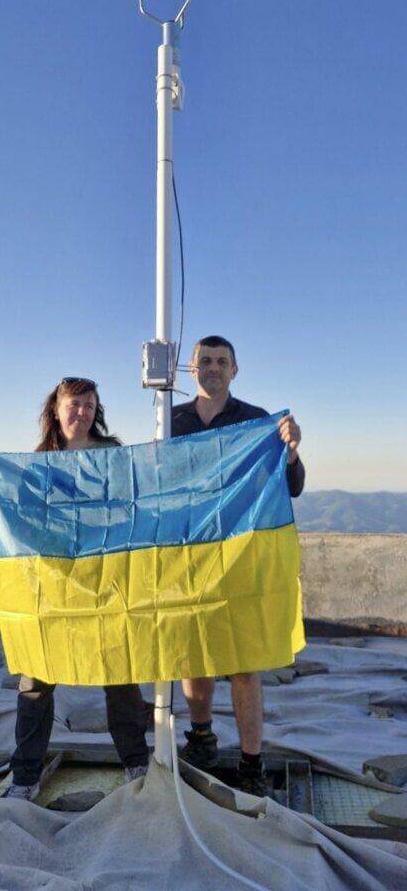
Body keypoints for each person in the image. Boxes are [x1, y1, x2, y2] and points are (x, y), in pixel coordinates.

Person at [0, 377, 149, 800]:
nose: (82, 412)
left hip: (106, 581)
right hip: (53, 586)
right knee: (36, 678)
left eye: (89, 405)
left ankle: (136, 762)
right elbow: (18, 514)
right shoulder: (38, 461)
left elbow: (134, 502)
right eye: (74, 404)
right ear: (56, 408)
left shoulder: (112, 454)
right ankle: (26, 776)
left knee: (120, 674)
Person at [172, 336, 304, 796]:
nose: (213, 367)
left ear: (234, 370)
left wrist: (289, 449)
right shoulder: (169, 421)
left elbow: (293, 485)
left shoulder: (255, 421)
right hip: (187, 555)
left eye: (221, 361)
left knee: (245, 663)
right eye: (204, 361)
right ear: (192, 370)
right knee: (195, 654)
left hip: (241, 557)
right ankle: (202, 738)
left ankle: (252, 763)